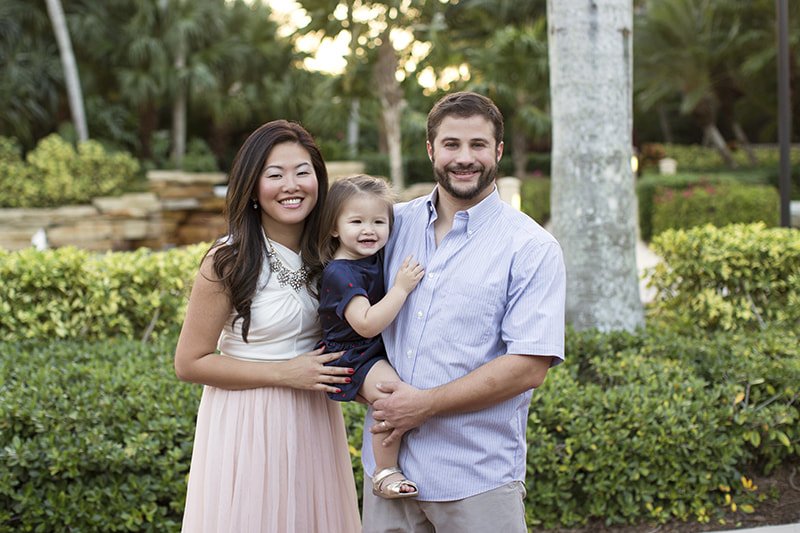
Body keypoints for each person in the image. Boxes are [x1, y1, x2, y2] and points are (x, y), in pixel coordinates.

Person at [361, 91, 567, 533]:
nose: (464, 158)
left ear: (498, 151)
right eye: (452, 144)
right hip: (387, 474)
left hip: (477, 479)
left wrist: (423, 405)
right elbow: (345, 310)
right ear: (431, 149)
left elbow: (529, 366)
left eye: (477, 145)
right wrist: (365, 385)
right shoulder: (390, 226)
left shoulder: (530, 247)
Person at [174, 119, 361, 533]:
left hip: (314, 420)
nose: (291, 185)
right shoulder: (228, 261)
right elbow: (189, 362)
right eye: (274, 175)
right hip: (245, 422)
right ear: (253, 187)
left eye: (302, 172)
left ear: (319, 179)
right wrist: (285, 373)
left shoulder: (334, 254)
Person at [317, 175, 425, 500]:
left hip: (371, 349)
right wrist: (402, 289)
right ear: (334, 227)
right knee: (390, 398)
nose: (369, 230)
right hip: (353, 354)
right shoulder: (340, 272)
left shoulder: (372, 255)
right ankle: (385, 471)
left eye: (379, 221)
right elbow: (365, 323)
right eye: (357, 221)